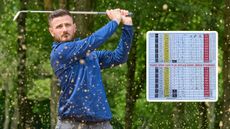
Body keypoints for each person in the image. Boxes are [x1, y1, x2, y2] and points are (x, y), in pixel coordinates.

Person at [49, 8, 133, 129]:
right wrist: (115, 21)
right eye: (59, 26)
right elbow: (92, 41)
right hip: (71, 123)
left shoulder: (90, 54)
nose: (64, 29)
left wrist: (127, 26)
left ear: (74, 27)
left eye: (67, 25)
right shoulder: (59, 52)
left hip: (102, 123)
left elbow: (119, 57)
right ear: (51, 32)